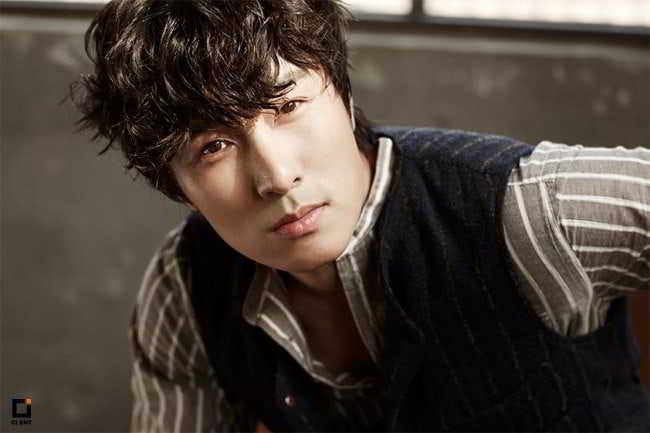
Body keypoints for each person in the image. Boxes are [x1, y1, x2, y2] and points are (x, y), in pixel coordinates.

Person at [72, 0, 650, 431]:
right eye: (213, 147)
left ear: (344, 97)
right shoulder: (188, 286)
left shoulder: (522, 207)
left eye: (288, 105)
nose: (277, 176)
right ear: (178, 189)